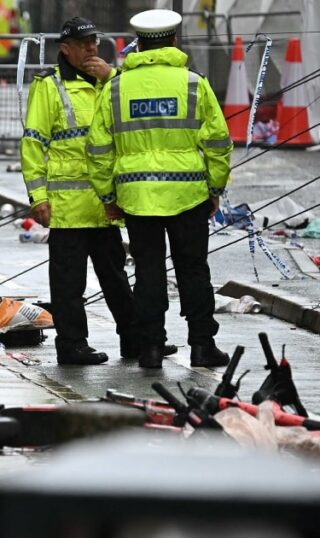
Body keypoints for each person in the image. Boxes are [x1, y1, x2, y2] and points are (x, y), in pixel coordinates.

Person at [22, 17, 175, 365]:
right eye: (83, 44)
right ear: (66, 49)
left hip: (105, 203)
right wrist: (38, 196)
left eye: (94, 41)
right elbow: (33, 143)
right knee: (68, 283)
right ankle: (72, 344)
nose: (92, 48)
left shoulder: (112, 82)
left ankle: (134, 340)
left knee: (116, 277)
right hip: (68, 206)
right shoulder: (49, 86)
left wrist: (112, 77)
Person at [86, 9, 233, 369]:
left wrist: (108, 196)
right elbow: (218, 143)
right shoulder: (194, 84)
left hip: (137, 197)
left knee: (148, 273)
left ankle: (151, 348)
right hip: (189, 195)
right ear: (174, 40)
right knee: (193, 271)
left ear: (138, 44)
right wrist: (214, 189)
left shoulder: (116, 88)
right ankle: (202, 346)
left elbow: (98, 149)